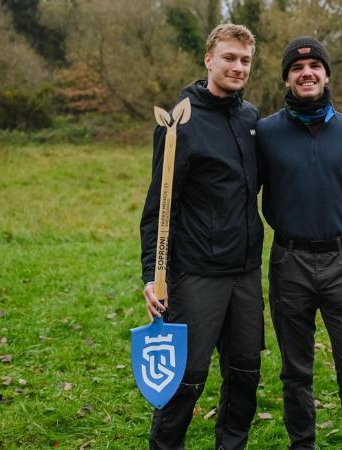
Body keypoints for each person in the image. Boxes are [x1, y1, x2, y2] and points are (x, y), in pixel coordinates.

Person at [257, 37, 342, 450]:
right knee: (295, 372)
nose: (307, 72)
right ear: (287, 79)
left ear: (327, 74)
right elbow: (239, 193)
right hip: (288, 263)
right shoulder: (265, 133)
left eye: (315, 65)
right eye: (297, 68)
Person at [139, 23, 263, 450]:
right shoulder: (180, 121)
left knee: (245, 374)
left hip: (245, 273)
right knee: (186, 380)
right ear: (209, 59)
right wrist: (150, 275)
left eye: (245, 60)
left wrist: (341, 126)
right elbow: (159, 205)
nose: (238, 67)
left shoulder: (251, 119)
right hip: (197, 275)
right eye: (229, 57)